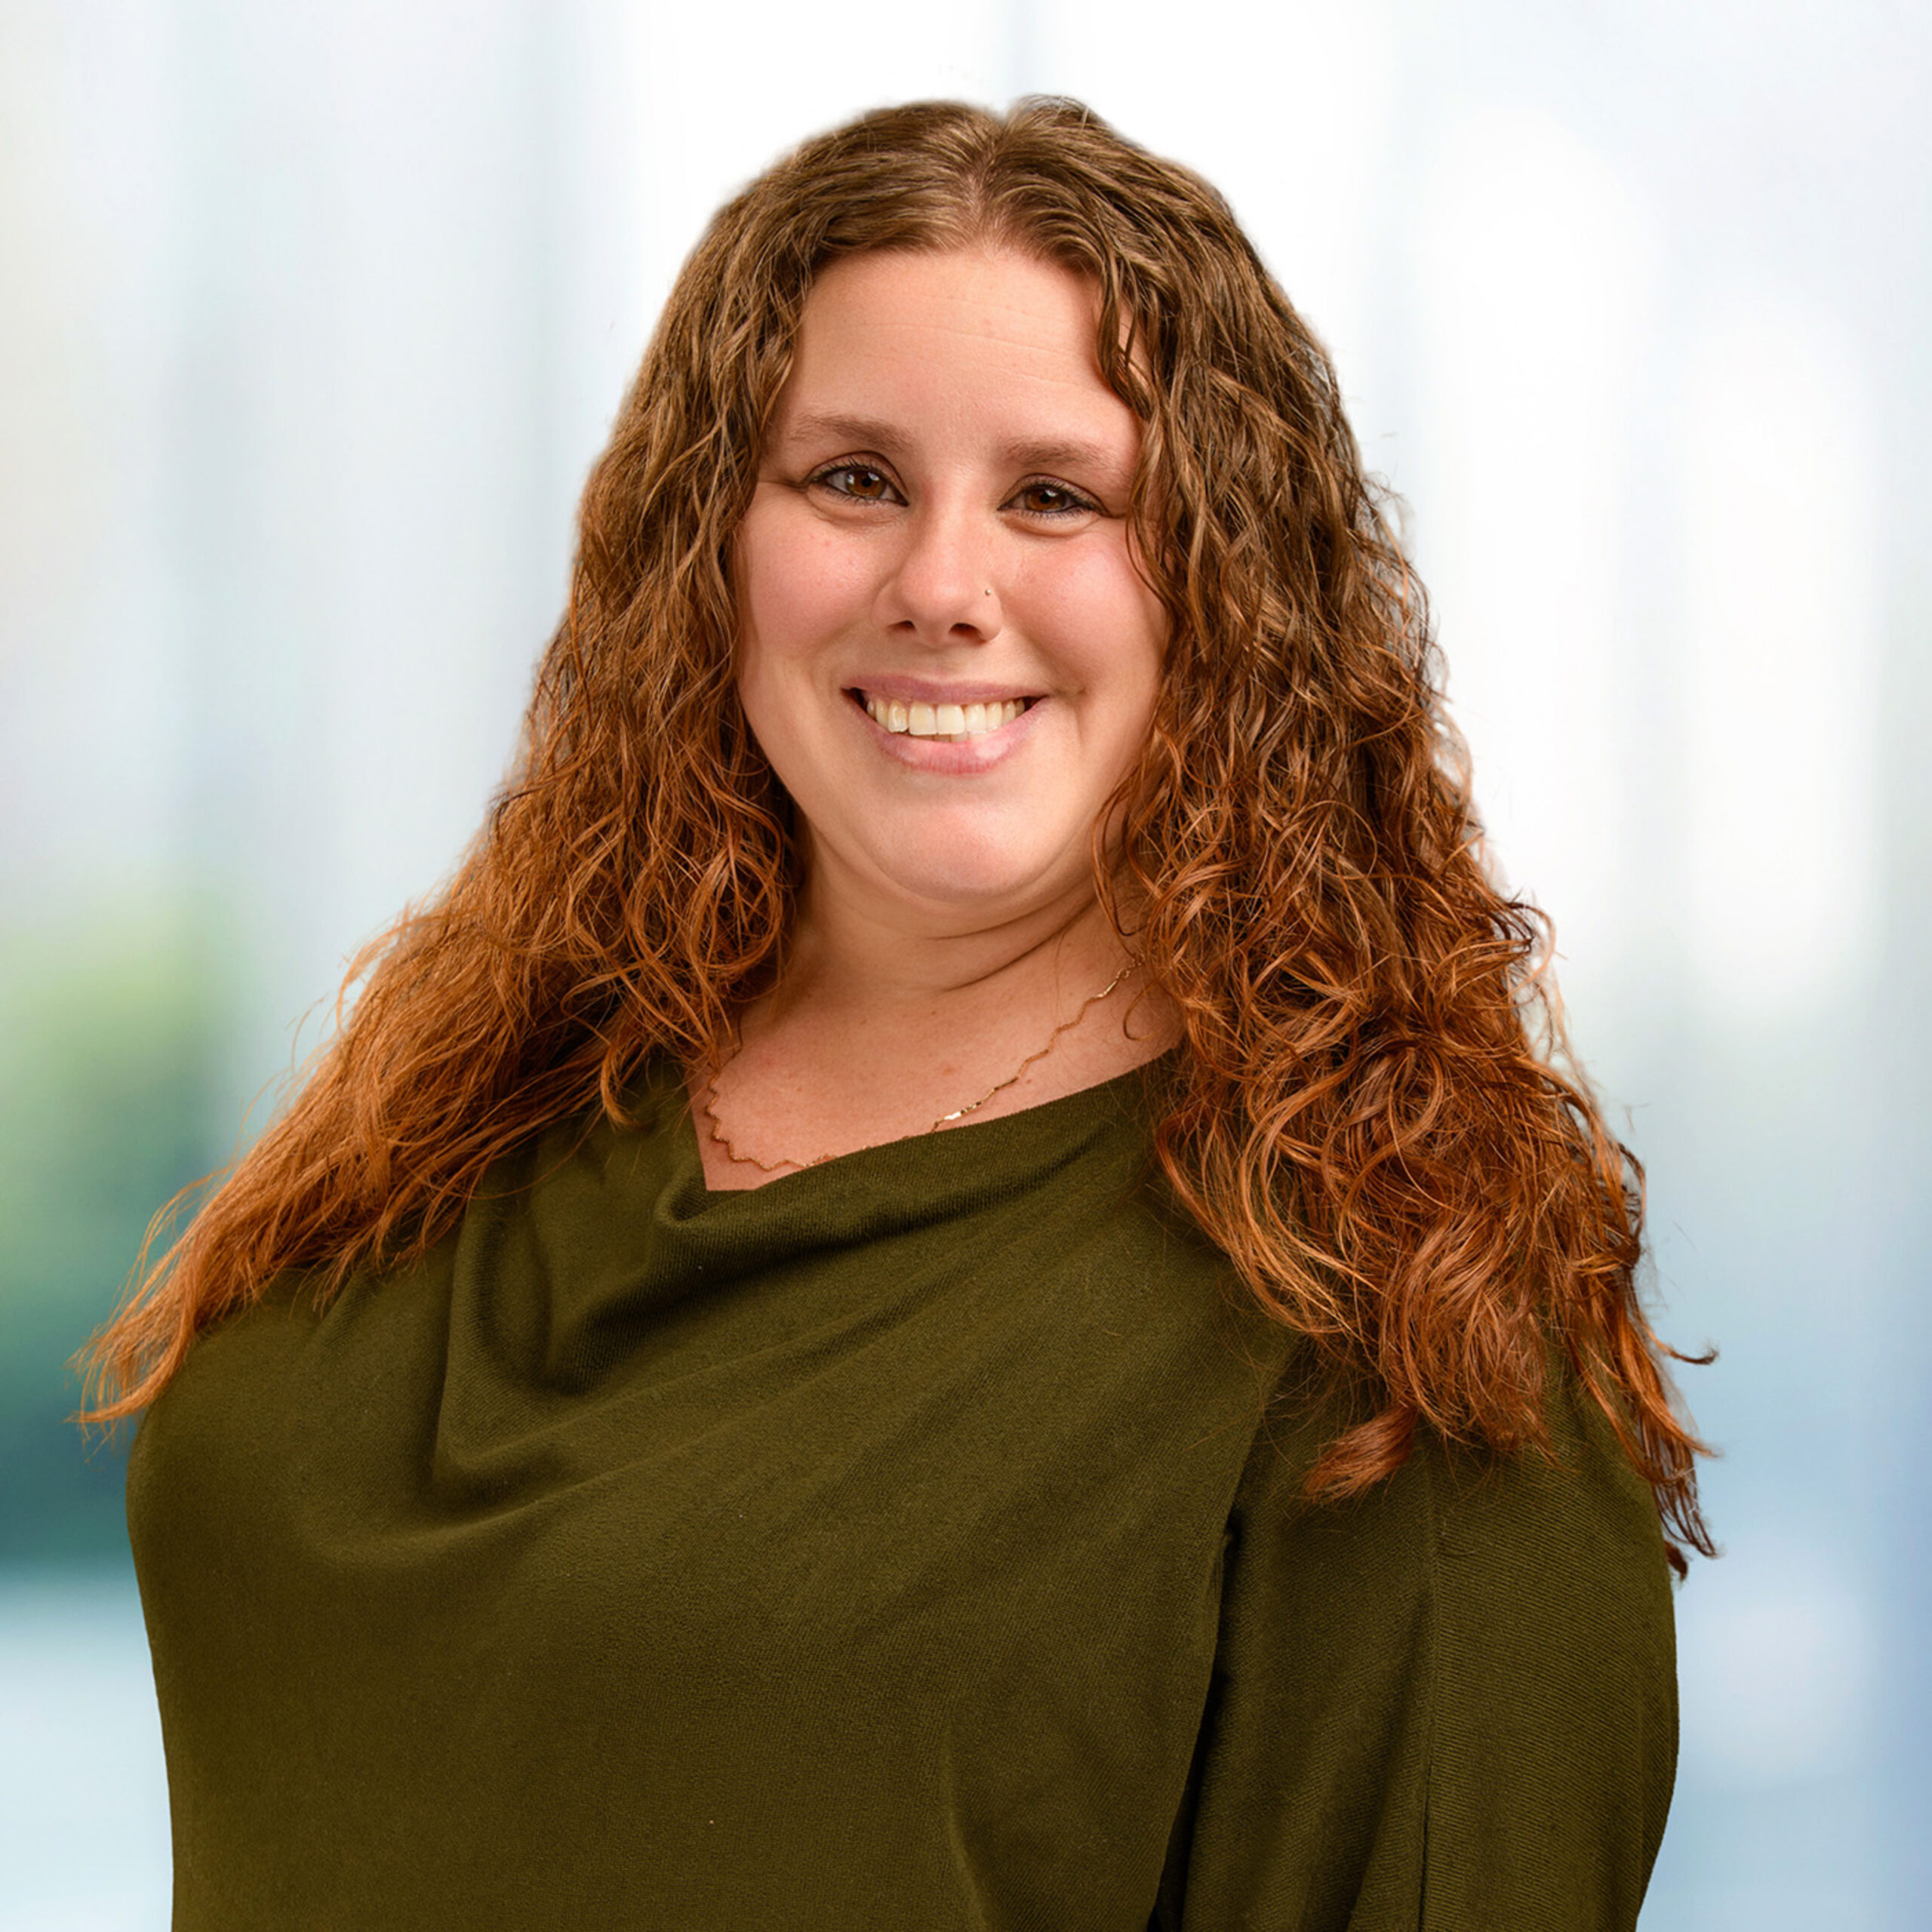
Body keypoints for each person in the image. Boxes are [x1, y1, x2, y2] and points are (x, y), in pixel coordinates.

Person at [87, 97, 1711, 1930]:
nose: (940, 587)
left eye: (1054, 495)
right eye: (851, 477)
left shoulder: (1385, 1321)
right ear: (708, 539)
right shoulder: (492, 1087)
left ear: (1230, 588)